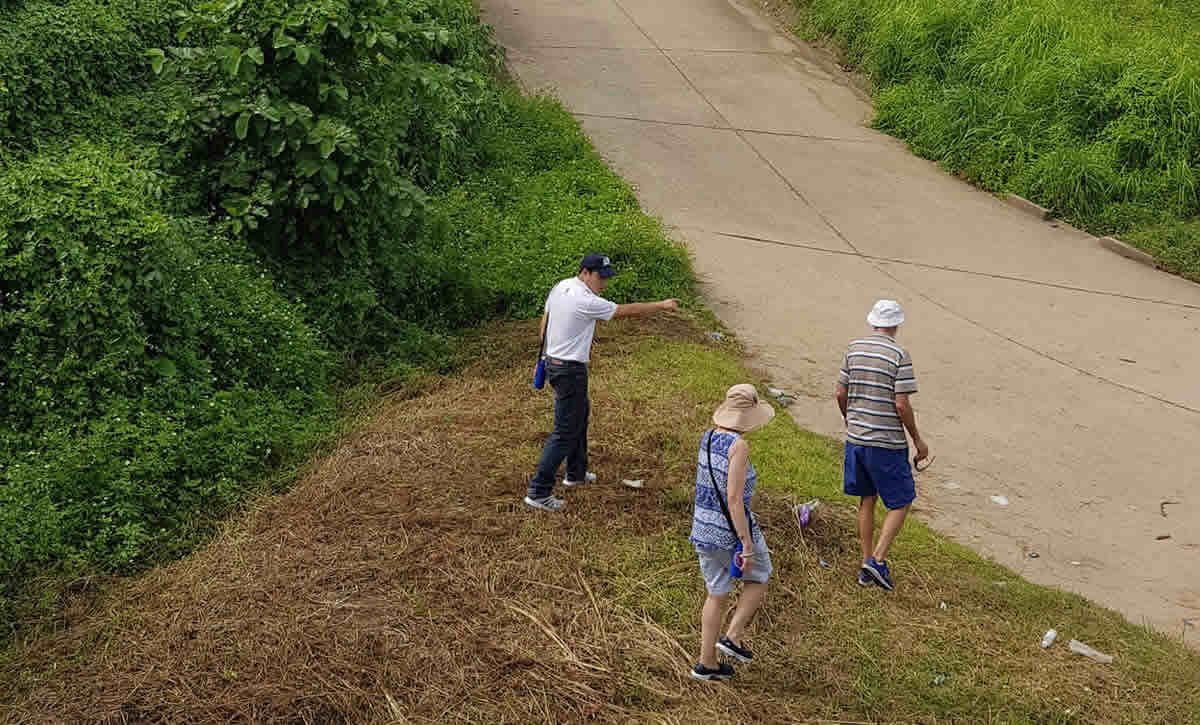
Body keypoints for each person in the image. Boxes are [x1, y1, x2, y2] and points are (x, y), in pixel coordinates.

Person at [524, 254, 680, 512]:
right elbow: (625, 311)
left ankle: (575, 473)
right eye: (600, 277)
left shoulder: (561, 286)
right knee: (564, 431)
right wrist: (661, 305)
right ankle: (538, 491)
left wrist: (544, 355)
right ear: (585, 272)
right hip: (569, 370)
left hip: (555, 363)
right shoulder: (585, 300)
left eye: (607, 277)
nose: (604, 283)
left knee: (580, 417)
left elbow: (546, 320)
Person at [835, 299, 930, 591]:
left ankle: (866, 564)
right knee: (902, 500)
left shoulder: (854, 348)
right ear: (896, 324)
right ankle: (877, 560)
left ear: (873, 321)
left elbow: (840, 392)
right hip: (886, 443)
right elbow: (901, 404)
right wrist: (917, 439)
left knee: (867, 499)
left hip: (857, 440)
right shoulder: (899, 355)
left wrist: (849, 419)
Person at [689, 384, 775, 681]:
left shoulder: (708, 437)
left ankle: (707, 663)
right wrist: (746, 543)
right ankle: (733, 636)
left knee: (716, 593)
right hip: (729, 531)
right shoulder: (739, 446)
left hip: (703, 529)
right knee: (760, 576)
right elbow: (734, 498)